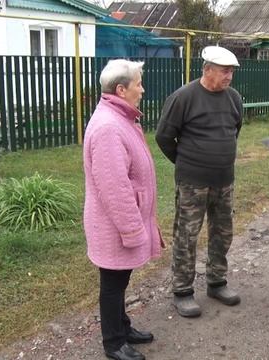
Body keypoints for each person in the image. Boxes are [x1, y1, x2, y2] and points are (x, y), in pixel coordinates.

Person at [83, 59, 163, 360]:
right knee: (113, 284)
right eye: (138, 83)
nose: (142, 89)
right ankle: (113, 343)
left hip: (119, 223)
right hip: (114, 225)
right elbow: (115, 189)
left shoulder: (118, 118)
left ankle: (123, 327)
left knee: (120, 279)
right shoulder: (108, 128)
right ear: (121, 89)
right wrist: (132, 230)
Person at [155, 46, 243, 318]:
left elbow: (234, 130)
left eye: (231, 71)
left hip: (224, 181)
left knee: (222, 233)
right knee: (187, 236)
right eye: (225, 71)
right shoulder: (183, 97)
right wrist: (187, 163)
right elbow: (164, 137)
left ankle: (217, 282)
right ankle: (182, 291)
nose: (229, 76)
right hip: (192, 182)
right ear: (207, 70)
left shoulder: (234, 98)